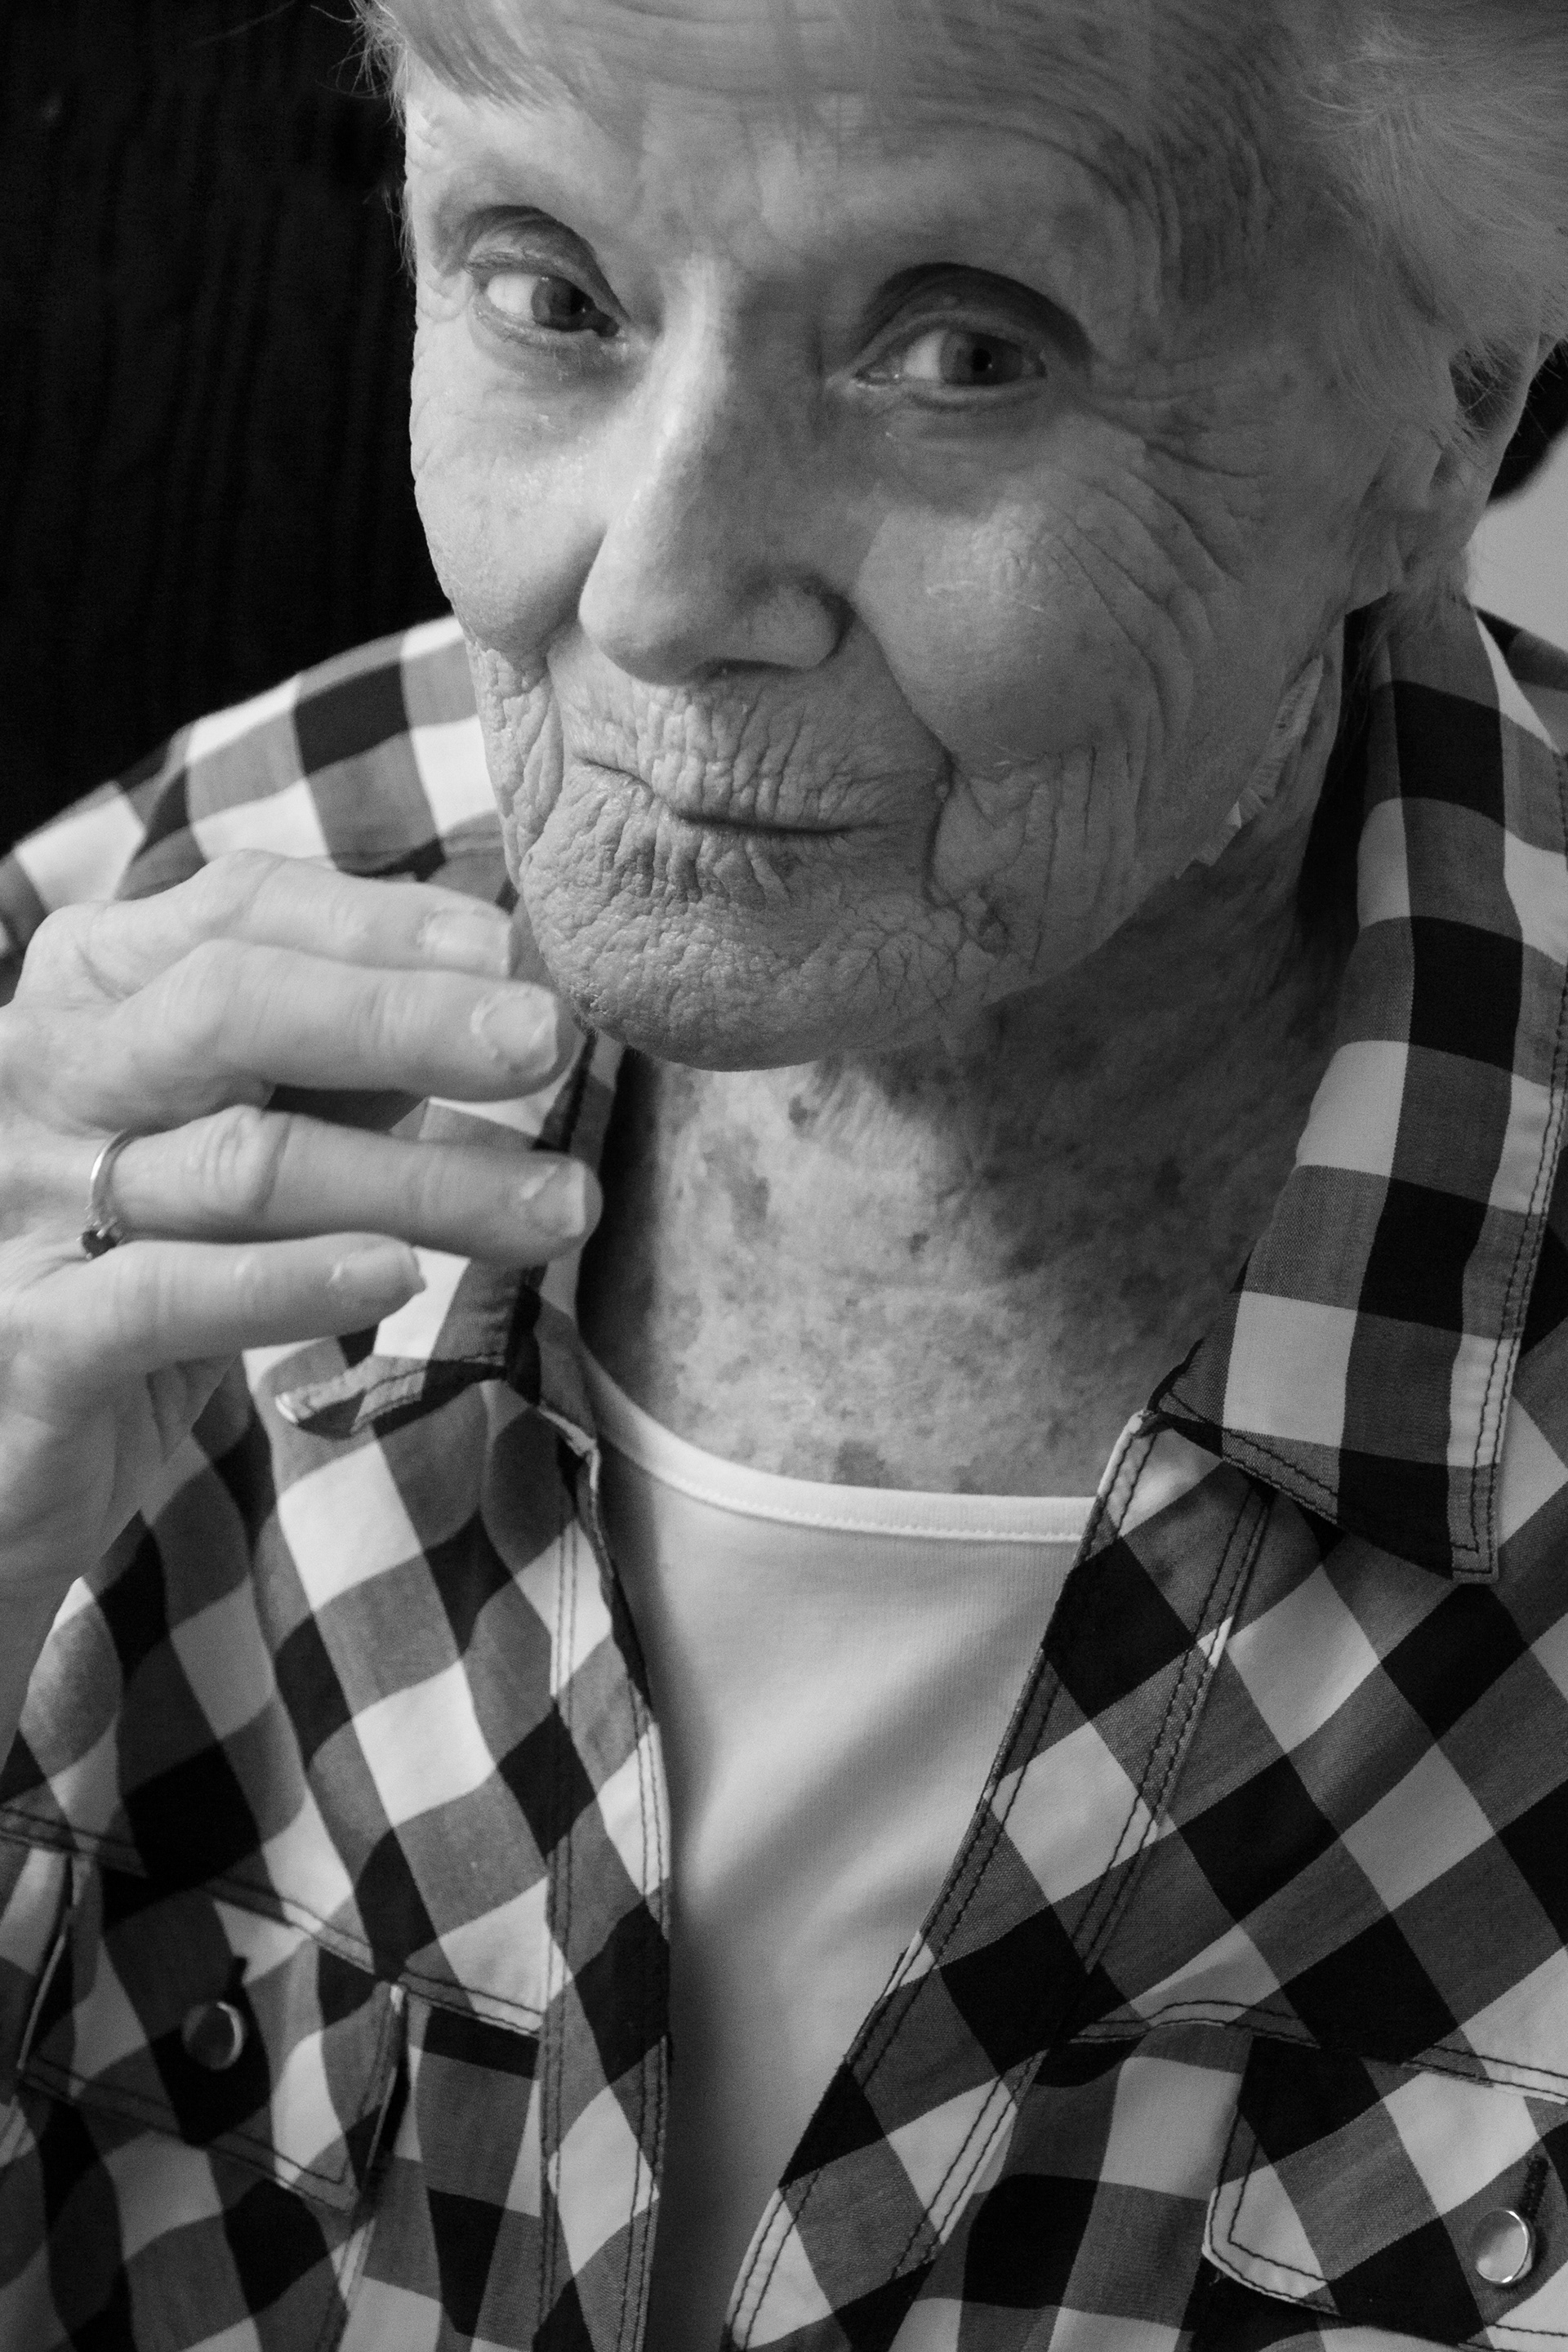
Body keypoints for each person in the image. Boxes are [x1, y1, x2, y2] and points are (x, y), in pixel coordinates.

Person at [1, 2, 1566, 2345]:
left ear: (1447, 421)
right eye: (552, 291)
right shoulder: (125, 989)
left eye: (964, 355)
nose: (654, 589)